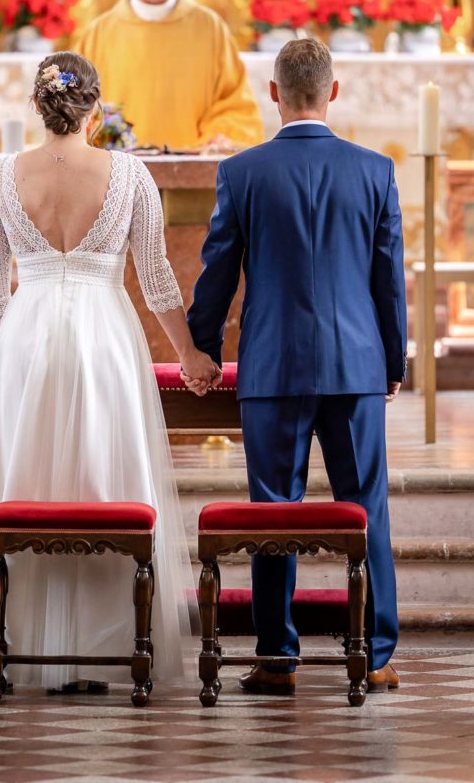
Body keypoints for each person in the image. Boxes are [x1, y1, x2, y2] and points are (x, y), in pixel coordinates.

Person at [0, 51, 219, 690]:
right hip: (105, 337)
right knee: (106, 480)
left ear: (36, 107)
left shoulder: (3, 178)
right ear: (96, 112)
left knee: (27, 485)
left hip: (25, 339)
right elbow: (156, 282)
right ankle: (112, 645)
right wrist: (191, 357)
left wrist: (18, 347)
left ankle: (19, 645)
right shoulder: (127, 174)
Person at [185, 38, 407, 695]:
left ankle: (276, 654)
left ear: (273, 94)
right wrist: (390, 360)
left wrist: (203, 349)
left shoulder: (242, 172)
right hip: (354, 366)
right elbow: (386, 280)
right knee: (364, 508)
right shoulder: (374, 169)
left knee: (271, 511)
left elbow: (217, 273)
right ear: (332, 91)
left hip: (272, 366)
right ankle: (374, 651)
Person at [77, 0, 264, 151]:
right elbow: (79, 102)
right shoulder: (99, 32)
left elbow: (234, 102)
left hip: (189, 162)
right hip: (118, 170)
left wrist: (217, 138)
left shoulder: (209, 28)